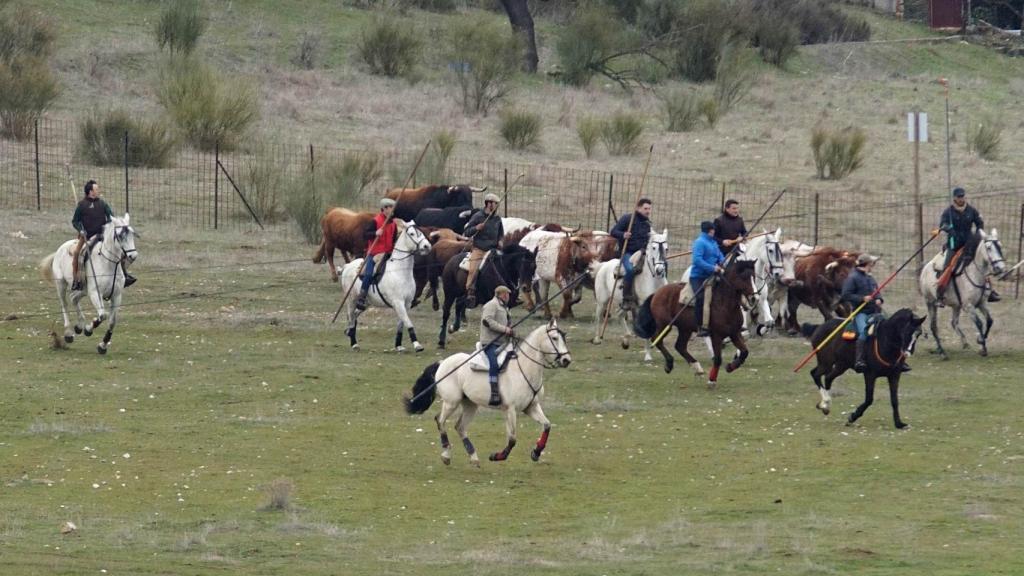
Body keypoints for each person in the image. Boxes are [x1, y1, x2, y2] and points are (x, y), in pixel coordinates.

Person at [841, 254, 909, 373]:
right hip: (861, 313)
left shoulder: (870, 278)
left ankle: (900, 360)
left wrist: (879, 299)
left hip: (875, 312)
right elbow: (846, 295)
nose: (873, 266)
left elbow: (876, 292)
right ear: (867, 264)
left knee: (891, 329)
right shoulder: (852, 278)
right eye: (872, 264)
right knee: (864, 332)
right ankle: (860, 360)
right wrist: (862, 298)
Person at [937, 187, 998, 305]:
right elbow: (942, 224)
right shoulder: (948, 212)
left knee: (981, 265)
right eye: (959, 197)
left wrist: (977, 235)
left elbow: (979, 222)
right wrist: (949, 229)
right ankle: (941, 293)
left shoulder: (971, 210)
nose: (961, 198)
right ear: (954, 198)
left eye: (963, 196)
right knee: (947, 266)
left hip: (969, 245)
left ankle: (990, 291)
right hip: (953, 245)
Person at [71, 180, 136, 292]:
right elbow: (75, 221)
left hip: (102, 235)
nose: (98, 191)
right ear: (90, 191)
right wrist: (81, 230)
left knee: (119, 252)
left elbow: (111, 217)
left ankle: (124, 275)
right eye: (96, 189)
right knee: (77, 253)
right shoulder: (81, 205)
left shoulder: (102, 204)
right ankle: (77, 280)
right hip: (87, 236)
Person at [609, 198, 653, 309]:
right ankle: (627, 299)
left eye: (649, 209)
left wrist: (644, 250)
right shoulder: (627, 219)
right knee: (630, 269)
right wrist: (623, 235)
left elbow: (648, 241)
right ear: (638, 208)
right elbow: (613, 231)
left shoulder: (647, 224)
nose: (648, 211)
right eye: (645, 208)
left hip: (642, 253)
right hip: (627, 252)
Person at [355, 198, 398, 311]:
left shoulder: (393, 224)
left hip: (388, 254)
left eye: (393, 207)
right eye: (390, 208)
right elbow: (365, 235)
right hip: (375, 253)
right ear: (384, 209)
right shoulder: (375, 221)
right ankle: (362, 297)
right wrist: (375, 233)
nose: (393, 210)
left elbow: (394, 240)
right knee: (368, 274)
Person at [462, 192, 504, 308]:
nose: (494, 206)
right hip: (479, 249)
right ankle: (470, 292)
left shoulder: (497, 219)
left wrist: (500, 241)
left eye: (496, 203)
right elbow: (467, 231)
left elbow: (501, 234)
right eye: (493, 203)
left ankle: (507, 291)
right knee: (473, 269)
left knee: (504, 267)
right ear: (487, 204)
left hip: (493, 250)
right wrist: (476, 228)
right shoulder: (478, 216)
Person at [480, 284, 515, 406]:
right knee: (494, 364)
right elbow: (487, 321)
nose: (508, 296)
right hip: (490, 343)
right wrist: (504, 329)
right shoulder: (491, 305)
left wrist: (510, 330)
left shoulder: (504, 308)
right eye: (507, 294)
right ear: (501, 295)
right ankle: (494, 392)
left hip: (503, 343)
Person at [690, 221, 725, 338]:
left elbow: (719, 255)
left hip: (714, 274)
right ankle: (699, 326)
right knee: (700, 298)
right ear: (710, 230)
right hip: (698, 277)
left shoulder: (713, 242)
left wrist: (722, 262)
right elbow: (697, 260)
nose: (714, 231)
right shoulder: (699, 243)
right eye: (713, 230)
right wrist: (712, 268)